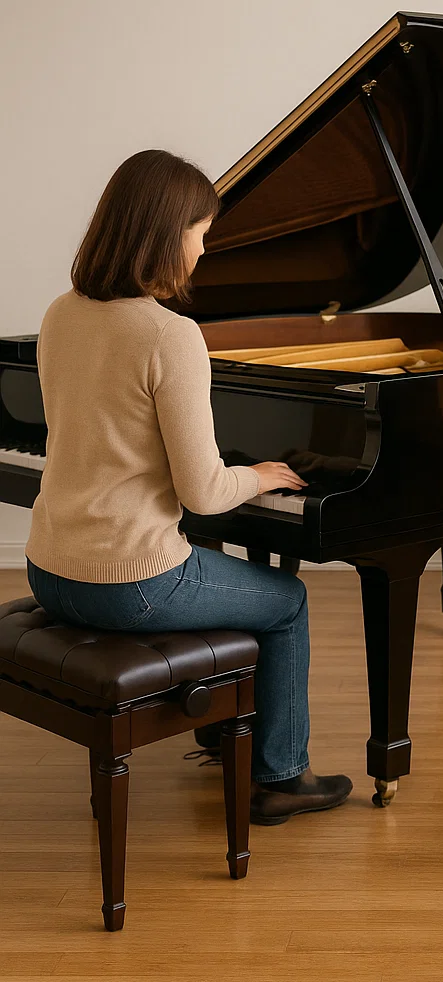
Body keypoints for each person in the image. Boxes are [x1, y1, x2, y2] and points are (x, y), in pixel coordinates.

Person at [25, 149, 352, 826]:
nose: (204, 248)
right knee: (287, 601)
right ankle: (283, 773)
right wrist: (260, 474)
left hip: (50, 569)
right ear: (166, 233)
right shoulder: (170, 335)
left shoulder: (61, 313)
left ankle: (219, 723)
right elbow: (202, 492)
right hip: (129, 587)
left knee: (215, 567)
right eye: (201, 231)